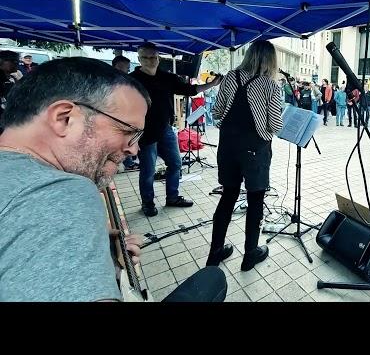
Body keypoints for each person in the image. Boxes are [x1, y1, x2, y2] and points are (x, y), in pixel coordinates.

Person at [0, 57, 227, 301]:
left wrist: (99, 253)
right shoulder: (62, 192)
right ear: (64, 118)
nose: (134, 149)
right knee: (213, 279)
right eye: (128, 132)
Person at [206, 39, 283, 272]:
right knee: (255, 200)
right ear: (270, 60)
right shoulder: (271, 86)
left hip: (227, 146)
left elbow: (216, 112)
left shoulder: (230, 76)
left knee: (227, 197)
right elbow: (276, 125)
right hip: (255, 149)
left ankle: (215, 253)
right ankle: (250, 255)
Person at [130, 42, 222, 217]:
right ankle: (147, 202)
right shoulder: (132, 80)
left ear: (159, 58)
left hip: (165, 129)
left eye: (154, 57)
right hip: (145, 132)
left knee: (175, 164)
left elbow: (190, 90)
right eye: (146, 58)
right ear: (139, 59)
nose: (150, 61)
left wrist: (210, 85)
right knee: (148, 170)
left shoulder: (167, 77)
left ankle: (172, 197)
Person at [110, 55, 139, 171]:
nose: (127, 70)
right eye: (124, 67)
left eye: (127, 68)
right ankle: (125, 163)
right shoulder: (111, 81)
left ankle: (127, 162)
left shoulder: (126, 81)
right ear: (116, 66)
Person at [0, 50, 20, 127]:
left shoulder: (11, 78)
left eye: (17, 61)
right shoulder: (2, 79)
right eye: (13, 61)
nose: (16, 64)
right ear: (1, 61)